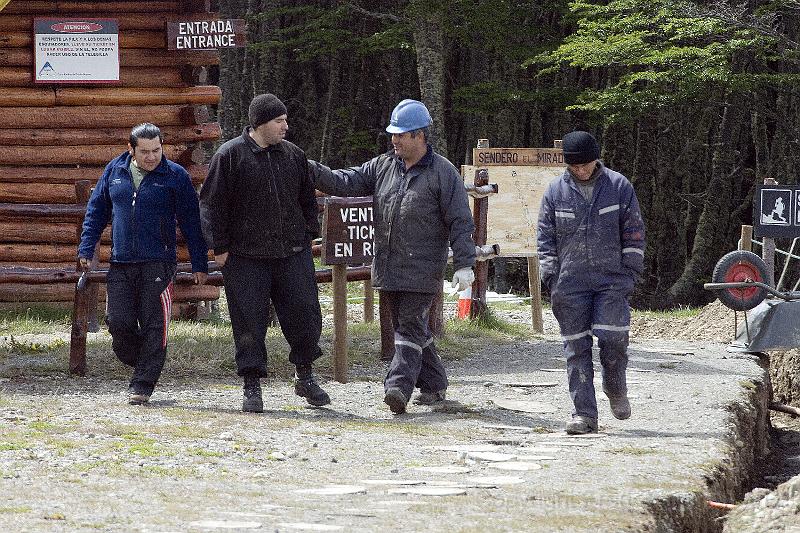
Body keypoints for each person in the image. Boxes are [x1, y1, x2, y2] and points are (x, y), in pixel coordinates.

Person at [309, 99, 476, 414]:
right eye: (393, 134)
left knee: (409, 326)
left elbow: (460, 221)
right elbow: (345, 181)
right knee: (411, 327)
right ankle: (435, 383)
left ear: (420, 135)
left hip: (423, 269)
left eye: (401, 134)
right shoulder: (383, 165)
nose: (394, 140)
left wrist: (465, 264)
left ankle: (397, 386)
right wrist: (308, 169)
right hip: (389, 266)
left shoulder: (443, 173)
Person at [199, 93, 330, 413]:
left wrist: (309, 236)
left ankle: (306, 375)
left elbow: (307, 201)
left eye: (285, 119)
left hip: (292, 253)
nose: (286, 126)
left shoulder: (294, 155)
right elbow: (211, 203)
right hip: (245, 257)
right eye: (279, 121)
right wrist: (220, 248)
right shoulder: (229, 156)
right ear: (260, 123)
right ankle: (252, 384)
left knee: (306, 315)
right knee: (249, 324)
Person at [78, 123, 209, 405]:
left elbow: (192, 222)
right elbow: (96, 212)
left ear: (163, 147)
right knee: (118, 322)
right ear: (131, 150)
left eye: (157, 150)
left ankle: (143, 383)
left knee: (154, 324)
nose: (152, 157)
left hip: (158, 263)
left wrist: (199, 262)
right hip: (121, 261)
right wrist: (86, 249)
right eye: (145, 151)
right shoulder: (115, 171)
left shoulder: (175, 176)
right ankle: (147, 360)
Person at [537, 130, 645, 434]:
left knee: (612, 338)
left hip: (612, 280)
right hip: (569, 283)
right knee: (576, 349)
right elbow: (545, 237)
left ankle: (616, 387)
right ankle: (584, 414)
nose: (581, 171)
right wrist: (551, 276)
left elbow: (634, 232)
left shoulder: (619, 186)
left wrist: (630, 272)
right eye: (575, 167)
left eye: (585, 165)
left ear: (596, 160)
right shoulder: (555, 191)